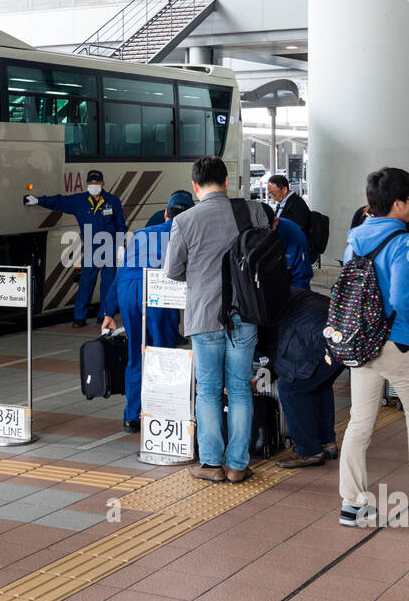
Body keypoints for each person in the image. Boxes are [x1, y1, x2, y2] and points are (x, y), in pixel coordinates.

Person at [338, 167, 409, 525]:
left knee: (360, 422)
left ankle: (353, 502)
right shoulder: (405, 242)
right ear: (397, 204)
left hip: (360, 340)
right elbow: (400, 297)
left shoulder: (355, 239)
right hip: (394, 341)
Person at [163, 155, 268, 483]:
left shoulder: (185, 221)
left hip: (204, 316)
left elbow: (173, 271)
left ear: (195, 187)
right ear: (226, 182)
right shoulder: (251, 211)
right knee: (239, 389)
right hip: (245, 315)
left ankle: (211, 464)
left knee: (207, 390)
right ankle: (237, 464)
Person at [101, 190, 193, 432]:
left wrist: (109, 312)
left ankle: (132, 417)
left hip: (128, 290)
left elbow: (121, 272)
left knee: (136, 352)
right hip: (158, 291)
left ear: (165, 213)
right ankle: (161, 415)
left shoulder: (141, 234)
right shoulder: (187, 234)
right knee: (163, 353)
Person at [27, 169, 126, 327]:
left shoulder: (112, 201)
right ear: (87, 184)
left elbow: (120, 224)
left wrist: (121, 246)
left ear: (103, 184)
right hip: (91, 248)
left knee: (108, 283)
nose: (94, 185)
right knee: (86, 282)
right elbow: (59, 201)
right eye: (91, 183)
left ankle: (105, 316)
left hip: (109, 247)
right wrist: (38, 201)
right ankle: (79, 318)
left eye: (97, 183)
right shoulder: (79, 201)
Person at [260, 287, 343, 468]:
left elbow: (276, 351)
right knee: (319, 384)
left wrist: (262, 377)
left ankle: (308, 450)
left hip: (318, 337)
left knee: (290, 388)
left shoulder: (256, 309)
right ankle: (327, 443)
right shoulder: (275, 291)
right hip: (341, 335)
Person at [260, 203, 313, 290]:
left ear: (275, 222)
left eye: (266, 231)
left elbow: (301, 278)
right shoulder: (246, 234)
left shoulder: (295, 235)